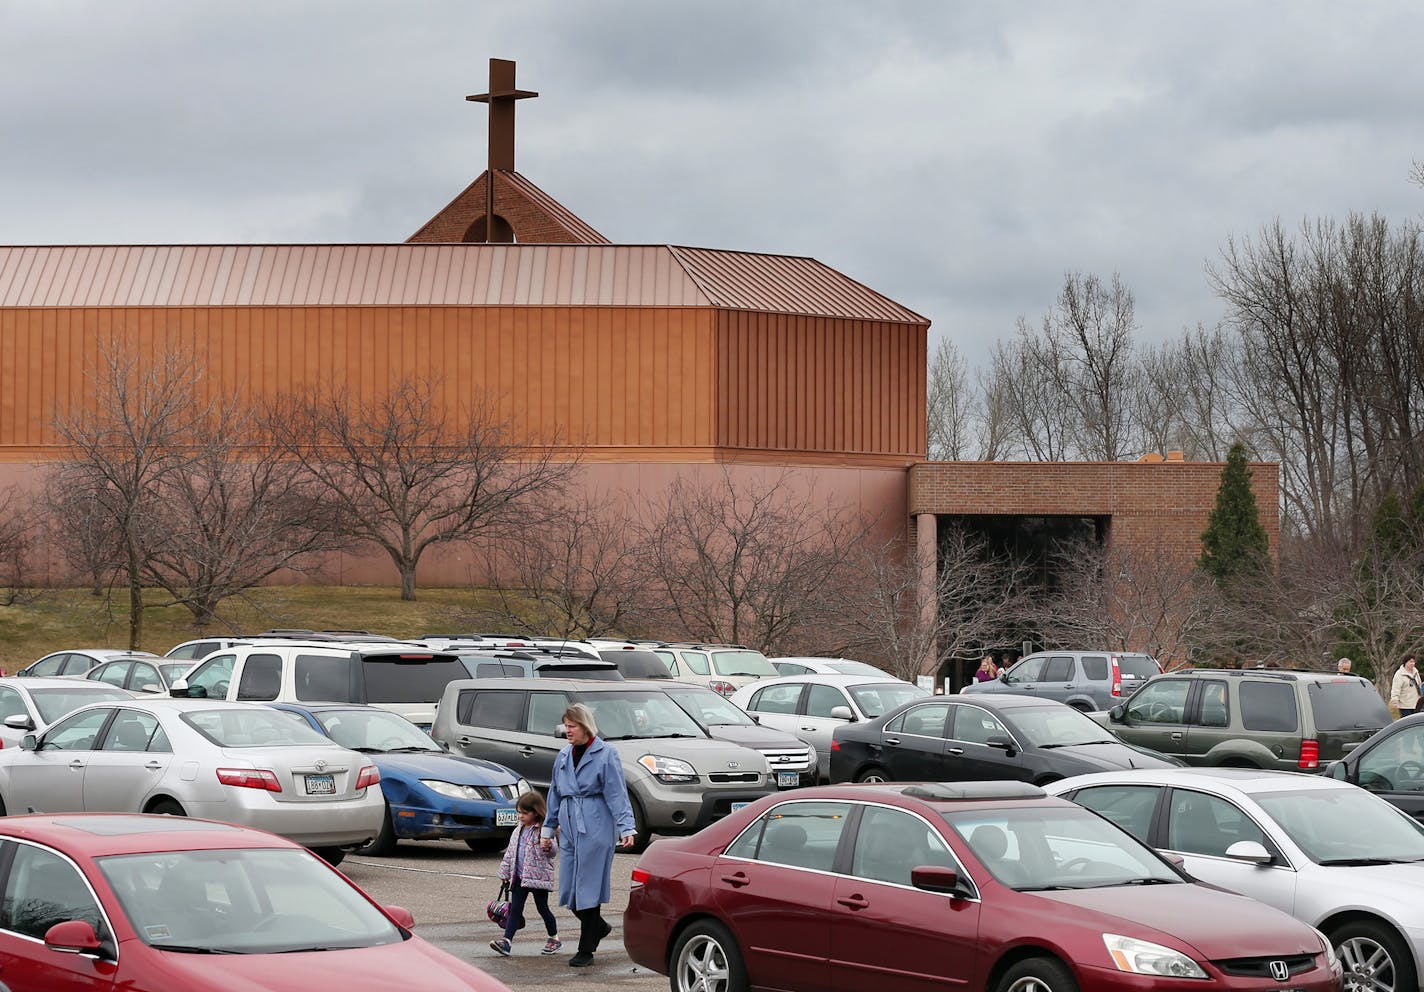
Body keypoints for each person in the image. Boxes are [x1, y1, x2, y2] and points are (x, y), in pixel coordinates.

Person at [540, 702, 636, 968]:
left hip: (596, 825)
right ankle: (599, 927)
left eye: (572, 726)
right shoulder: (563, 755)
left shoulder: (606, 754)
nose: (567, 731)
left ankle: (586, 949)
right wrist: (547, 829)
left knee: (589, 887)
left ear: (584, 726)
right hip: (569, 827)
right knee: (570, 890)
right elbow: (555, 793)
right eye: (566, 726)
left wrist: (626, 826)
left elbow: (617, 793)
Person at [489, 791, 561, 958]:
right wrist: (504, 871)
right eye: (519, 812)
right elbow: (510, 853)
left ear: (536, 812)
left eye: (525, 813)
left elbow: (553, 853)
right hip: (519, 877)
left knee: (543, 909)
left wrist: (548, 845)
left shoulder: (545, 831)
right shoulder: (518, 831)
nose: (521, 816)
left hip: (538, 878)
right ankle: (506, 941)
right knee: (515, 909)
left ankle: (554, 938)